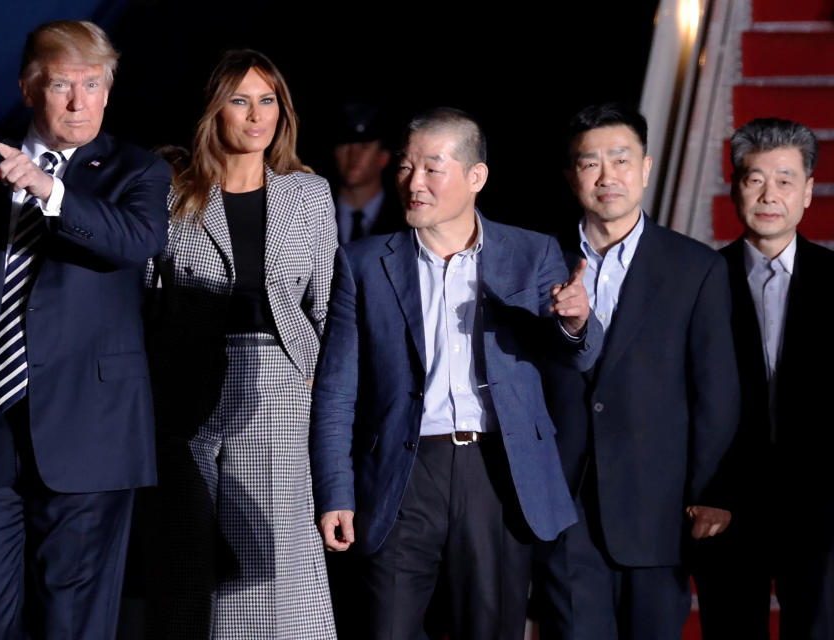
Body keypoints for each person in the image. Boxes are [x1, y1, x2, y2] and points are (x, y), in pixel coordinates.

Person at [0, 20, 170, 639]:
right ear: (27, 88)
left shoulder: (137, 170)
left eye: (93, 84)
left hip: (90, 435)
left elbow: (135, 243)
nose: (79, 102)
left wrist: (50, 190)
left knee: (71, 626)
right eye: (62, 85)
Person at [309, 107, 603, 639]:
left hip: (497, 469)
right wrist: (335, 491)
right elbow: (335, 392)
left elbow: (574, 355)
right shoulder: (363, 262)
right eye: (405, 166)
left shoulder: (530, 253)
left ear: (475, 177)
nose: (413, 183)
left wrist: (577, 321)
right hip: (402, 472)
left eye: (431, 168)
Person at [145, 49, 337, 639]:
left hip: (280, 380)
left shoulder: (309, 195)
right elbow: (149, 296)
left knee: (276, 544)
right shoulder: (173, 194)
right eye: (239, 100)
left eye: (267, 100)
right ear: (213, 111)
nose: (257, 115)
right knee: (199, 546)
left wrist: (314, 374)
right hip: (190, 388)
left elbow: (325, 302)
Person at [533, 102, 740, 639]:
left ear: (646, 168)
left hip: (658, 508)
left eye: (621, 160)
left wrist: (709, 489)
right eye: (590, 163)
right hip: (564, 501)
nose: (607, 177)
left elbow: (714, 390)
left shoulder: (696, 268)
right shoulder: (538, 261)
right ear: (569, 175)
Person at [693, 117, 834, 639]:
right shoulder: (699, 280)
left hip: (820, 508)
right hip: (727, 505)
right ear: (734, 187)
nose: (769, 194)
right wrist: (705, 490)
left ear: (808, 192)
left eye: (785, 180)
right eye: (755, 179)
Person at [331, 102, 405, 244]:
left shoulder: (404, 218)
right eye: (345, 145)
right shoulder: (312, 212)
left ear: (383, 157)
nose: (353, 155)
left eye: (364, 147)